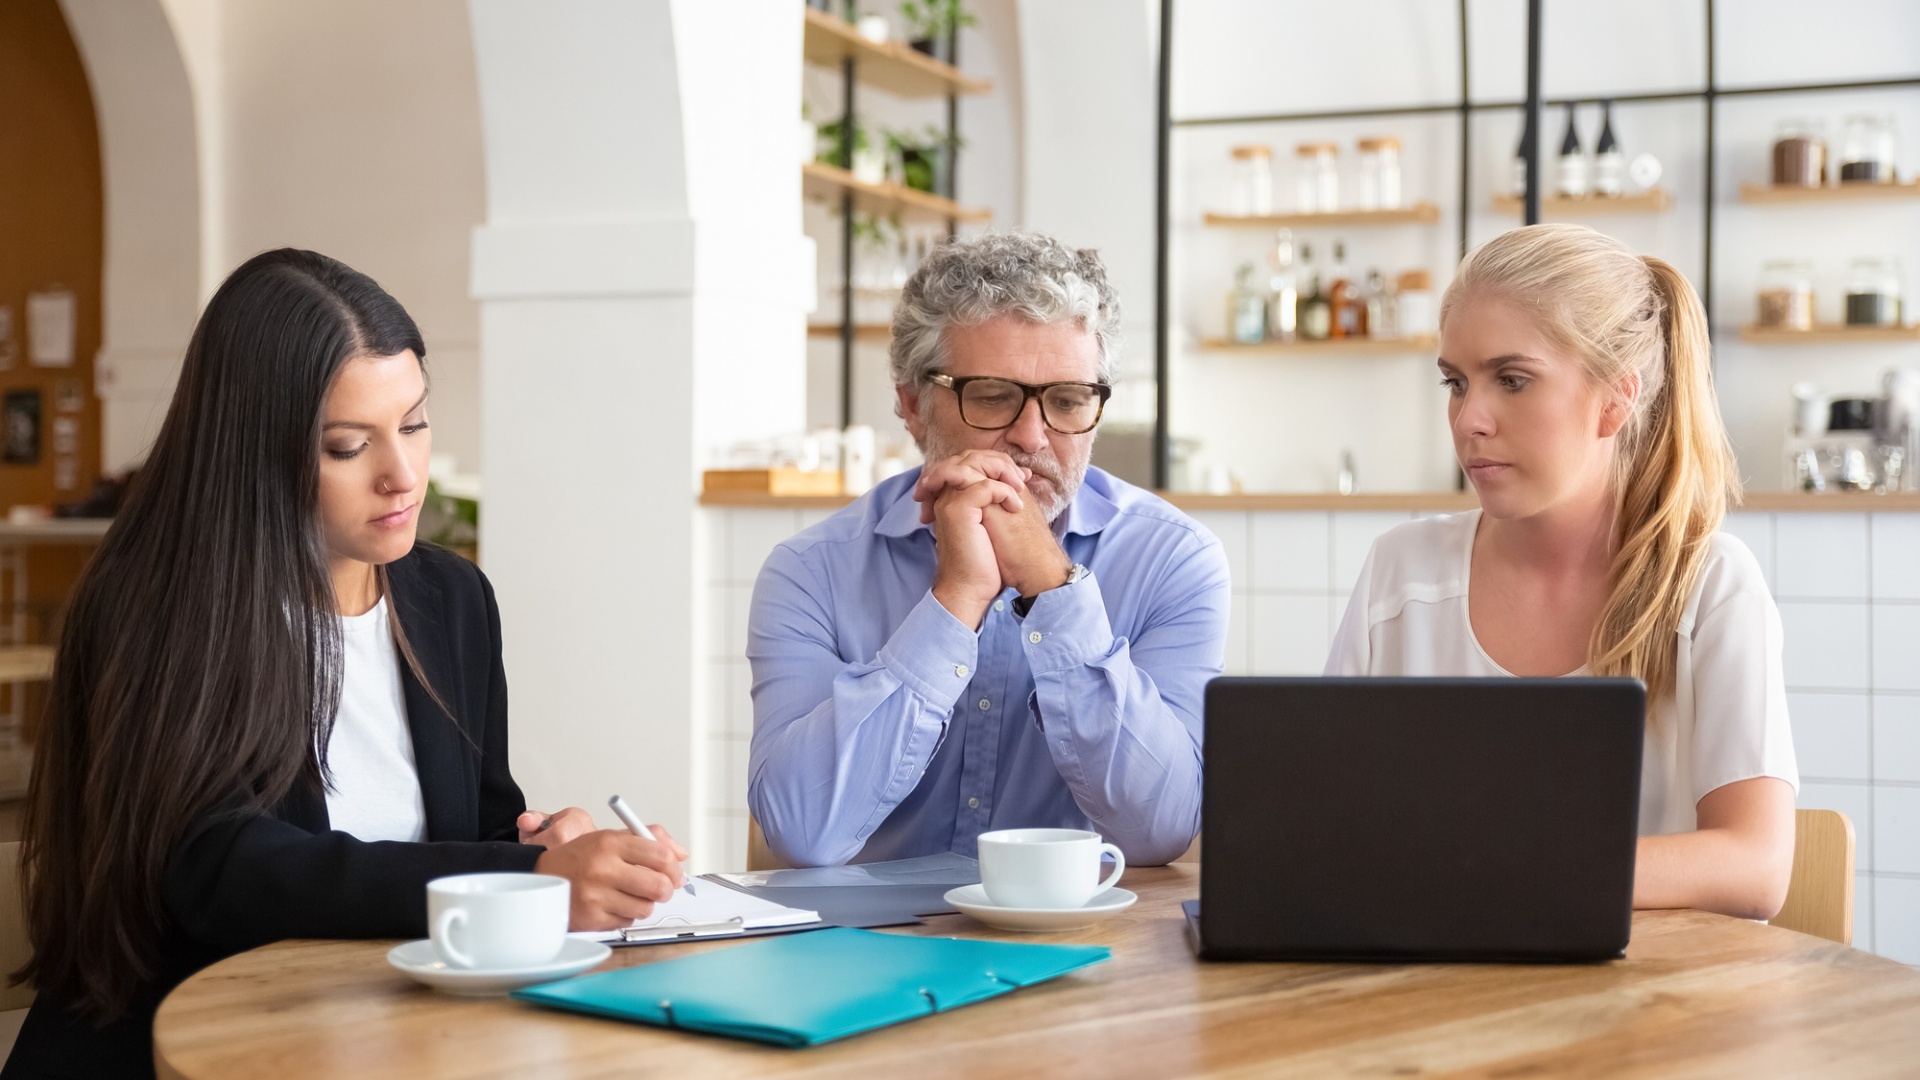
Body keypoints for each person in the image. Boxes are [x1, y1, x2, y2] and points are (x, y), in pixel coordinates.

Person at [3, 250, 685, 1080]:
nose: (401, 474)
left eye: (416, 422)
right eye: (347, 445)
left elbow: (473, 829)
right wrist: (524, 873)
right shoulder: (159, 607)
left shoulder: (451, 599)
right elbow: (223, 868)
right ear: (254, 451)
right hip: (199, 1044)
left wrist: (544, 843)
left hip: (397, 1037)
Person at [1326, 224, 1797, 920]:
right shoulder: (1401, 573)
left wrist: (1499, 868)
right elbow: (1326, 825)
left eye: (1512, 380)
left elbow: (1755, 867)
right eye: (1455, 383)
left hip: (1654, 1010)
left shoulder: (1709, 585)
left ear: (1616, 398)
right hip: (1433, 1001)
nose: (1469, 420)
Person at [748, 233, 1230, 869]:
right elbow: (802, 831)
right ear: (914, 405)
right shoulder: (811, 572)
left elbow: (1160, 829)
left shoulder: (1174, 561)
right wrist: (955, 601)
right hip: (871, 950)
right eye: (993, 396)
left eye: (1066, 401)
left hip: (1093, 948)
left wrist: (1053, 588)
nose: (1031, 436)